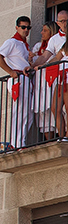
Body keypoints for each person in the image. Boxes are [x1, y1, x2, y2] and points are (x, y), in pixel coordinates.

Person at [38, 13, 68, 139]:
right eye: (62, 22)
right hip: (61, 76)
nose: (65, 25)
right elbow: (55, 57)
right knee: (56, 108)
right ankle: (61, 134)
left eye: (67, 22)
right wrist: (41, 65)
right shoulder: (61, 42)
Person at [0, 17, 34, 149]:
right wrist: (10, 72)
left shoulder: (24, 45)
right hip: (17, 78)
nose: (26, 30)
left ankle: (21, 140)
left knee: (28, 111)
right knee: (20, 110)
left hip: (24, 78)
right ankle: (17, 143)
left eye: (28, 28)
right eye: (23, 27)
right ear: (17, 28)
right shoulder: (12, 42)